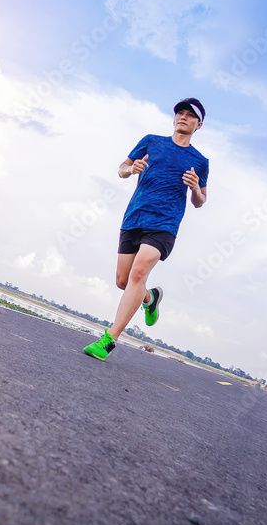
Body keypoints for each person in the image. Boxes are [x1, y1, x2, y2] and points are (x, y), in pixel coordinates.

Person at [83, 98, 209, 360]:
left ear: (199, 125)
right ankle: (150, 299)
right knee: (123, 281)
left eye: (190, 115)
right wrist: (131, 169)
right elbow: (121, 169)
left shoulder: (200, 161)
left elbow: (200, 201)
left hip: (164, 224)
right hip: (134, 217)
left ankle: (109, 340)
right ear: (174, 119)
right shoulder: (151, 141)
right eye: (180, 113)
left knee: (138, 274)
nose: (183, 117)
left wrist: (195, 187)